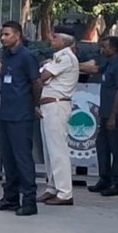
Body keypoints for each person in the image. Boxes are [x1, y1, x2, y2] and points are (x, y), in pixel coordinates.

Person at [0, 21, 42, 216]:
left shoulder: (26, 56)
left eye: (7, 34)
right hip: (7, 113)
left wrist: (34, 104)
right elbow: (6, 73)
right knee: (8, 158)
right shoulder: (8, 55)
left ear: (17, 35)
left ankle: (29, 200)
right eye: (2, 34)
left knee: (22, 158)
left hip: (21, 114)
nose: (3, 38)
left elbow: (36, 82)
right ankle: (10, 198)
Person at [37, 28, 80, 206]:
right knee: (49, 150)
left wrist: (44, 70)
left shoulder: (65, 56)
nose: (51, 40)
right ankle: (52, 187)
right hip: (49, 105)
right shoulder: (58, 57)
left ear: (64, 40)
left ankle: (64, 192)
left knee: (57, 150)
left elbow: (43, 76)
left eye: (55, 38)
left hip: (57, 105)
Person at [83, 36, 118, 197]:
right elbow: (95, 70)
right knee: (102, 146)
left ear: (114, 49)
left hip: (114, 114)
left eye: (106, 47)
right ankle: (105, 178)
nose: (103, 49)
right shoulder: (109, 64)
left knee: (116, 148)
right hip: (104, 112)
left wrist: (113, 115)